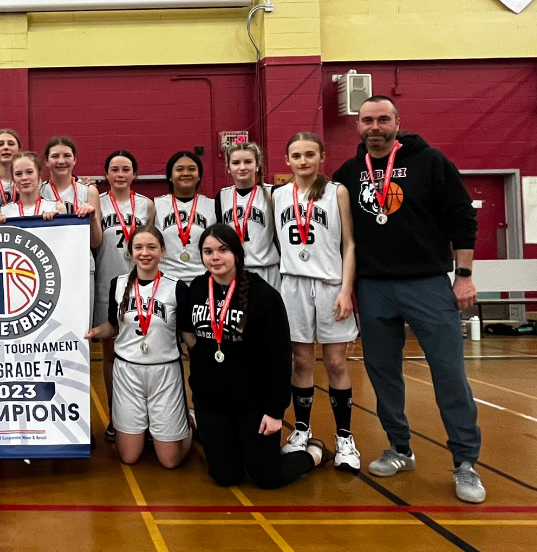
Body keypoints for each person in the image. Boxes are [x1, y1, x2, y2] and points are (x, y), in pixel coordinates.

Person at [332, 95, 485, 503]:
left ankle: (465, 462)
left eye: (383, 119)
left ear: (397, 122)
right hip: (373, 287)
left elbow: (463, 218)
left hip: (427, 284)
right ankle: (400, 448)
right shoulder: (348, 173)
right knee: (383, 375)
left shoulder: (430, 162)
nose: (375, 127)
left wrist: (464, 277)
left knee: (449, 375)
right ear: (358, 126)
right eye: (367, 120)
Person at [180, 224, 328, 489]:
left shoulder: (264, 295)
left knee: (267, 476)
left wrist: (274, 412)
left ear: (237, 253)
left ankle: (312, 455)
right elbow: (190, 335)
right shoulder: (198, 288)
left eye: (223, 250)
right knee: (225, 476)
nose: (215, 257)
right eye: (208, 251)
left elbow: (280, 358)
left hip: (253, 404)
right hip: (211, 403)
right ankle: (220, 438)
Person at [272, 133, 361, 471]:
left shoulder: (337, 191)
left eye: (310, 154)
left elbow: (349, 244)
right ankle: (302, 430)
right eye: (296, 155)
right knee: (301, 362)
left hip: (329, 286)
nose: (303, 160)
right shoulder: (277, 195)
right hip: (293, 285)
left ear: (322, 156)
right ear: (287, 160)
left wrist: (346, 290)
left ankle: (345, 438)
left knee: (336, 364)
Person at [86, 226, 191, 468]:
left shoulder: (177, 288)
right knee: (129, 457)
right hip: (127, 371)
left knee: (169, 461)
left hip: (165, 371)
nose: (145, 253)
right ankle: (150, 425)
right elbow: (113, 326)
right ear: (130, 252)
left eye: (152, 247)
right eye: (139, 247)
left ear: (162, 251)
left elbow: (188, 336)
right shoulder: (118, 284)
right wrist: (94, 332)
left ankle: (186, 425)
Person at [94, 150, 155, 442]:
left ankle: (146, 417)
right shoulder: (97, 202)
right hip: (107, 283)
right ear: (106, 174)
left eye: (126, 169)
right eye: (115, 169)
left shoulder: (146, 205)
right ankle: (115, 416)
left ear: (135, 174)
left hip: (141, 285)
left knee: (144, 351)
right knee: (111, 355)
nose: (120, 174)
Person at [40, 136, 103, 321]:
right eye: (55, 156)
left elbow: (96, 242)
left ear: (74, 159)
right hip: (48, 268)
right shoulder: (38, 191)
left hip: (81, 265)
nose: (61, 161)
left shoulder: (88, 191)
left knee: (81, 324)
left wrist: (92, 220)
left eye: (67, 155)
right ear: (46, 161)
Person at [215, 141, 281, 289]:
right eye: (236, 163)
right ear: (228, 168)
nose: (242, 167)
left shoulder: (272, 193)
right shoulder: (222, 196)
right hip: (234, 269)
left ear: (257, 165)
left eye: (248, 162)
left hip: (267, 270)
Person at [155, 151, 217, 285]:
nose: (186, 173)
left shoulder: (213, 205)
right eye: (179, 169)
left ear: (199, 176)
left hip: (203, 278)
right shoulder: (156, 205)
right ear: (170, 176)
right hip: (166, 279)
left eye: (192, 169)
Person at [0, 152, 65, 221]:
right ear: (13, 179)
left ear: (39, 175)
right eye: (18, 174)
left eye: (29, 172)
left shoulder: (56, 208)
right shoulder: (4, 212)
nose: (24, 178)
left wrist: (56, 220)